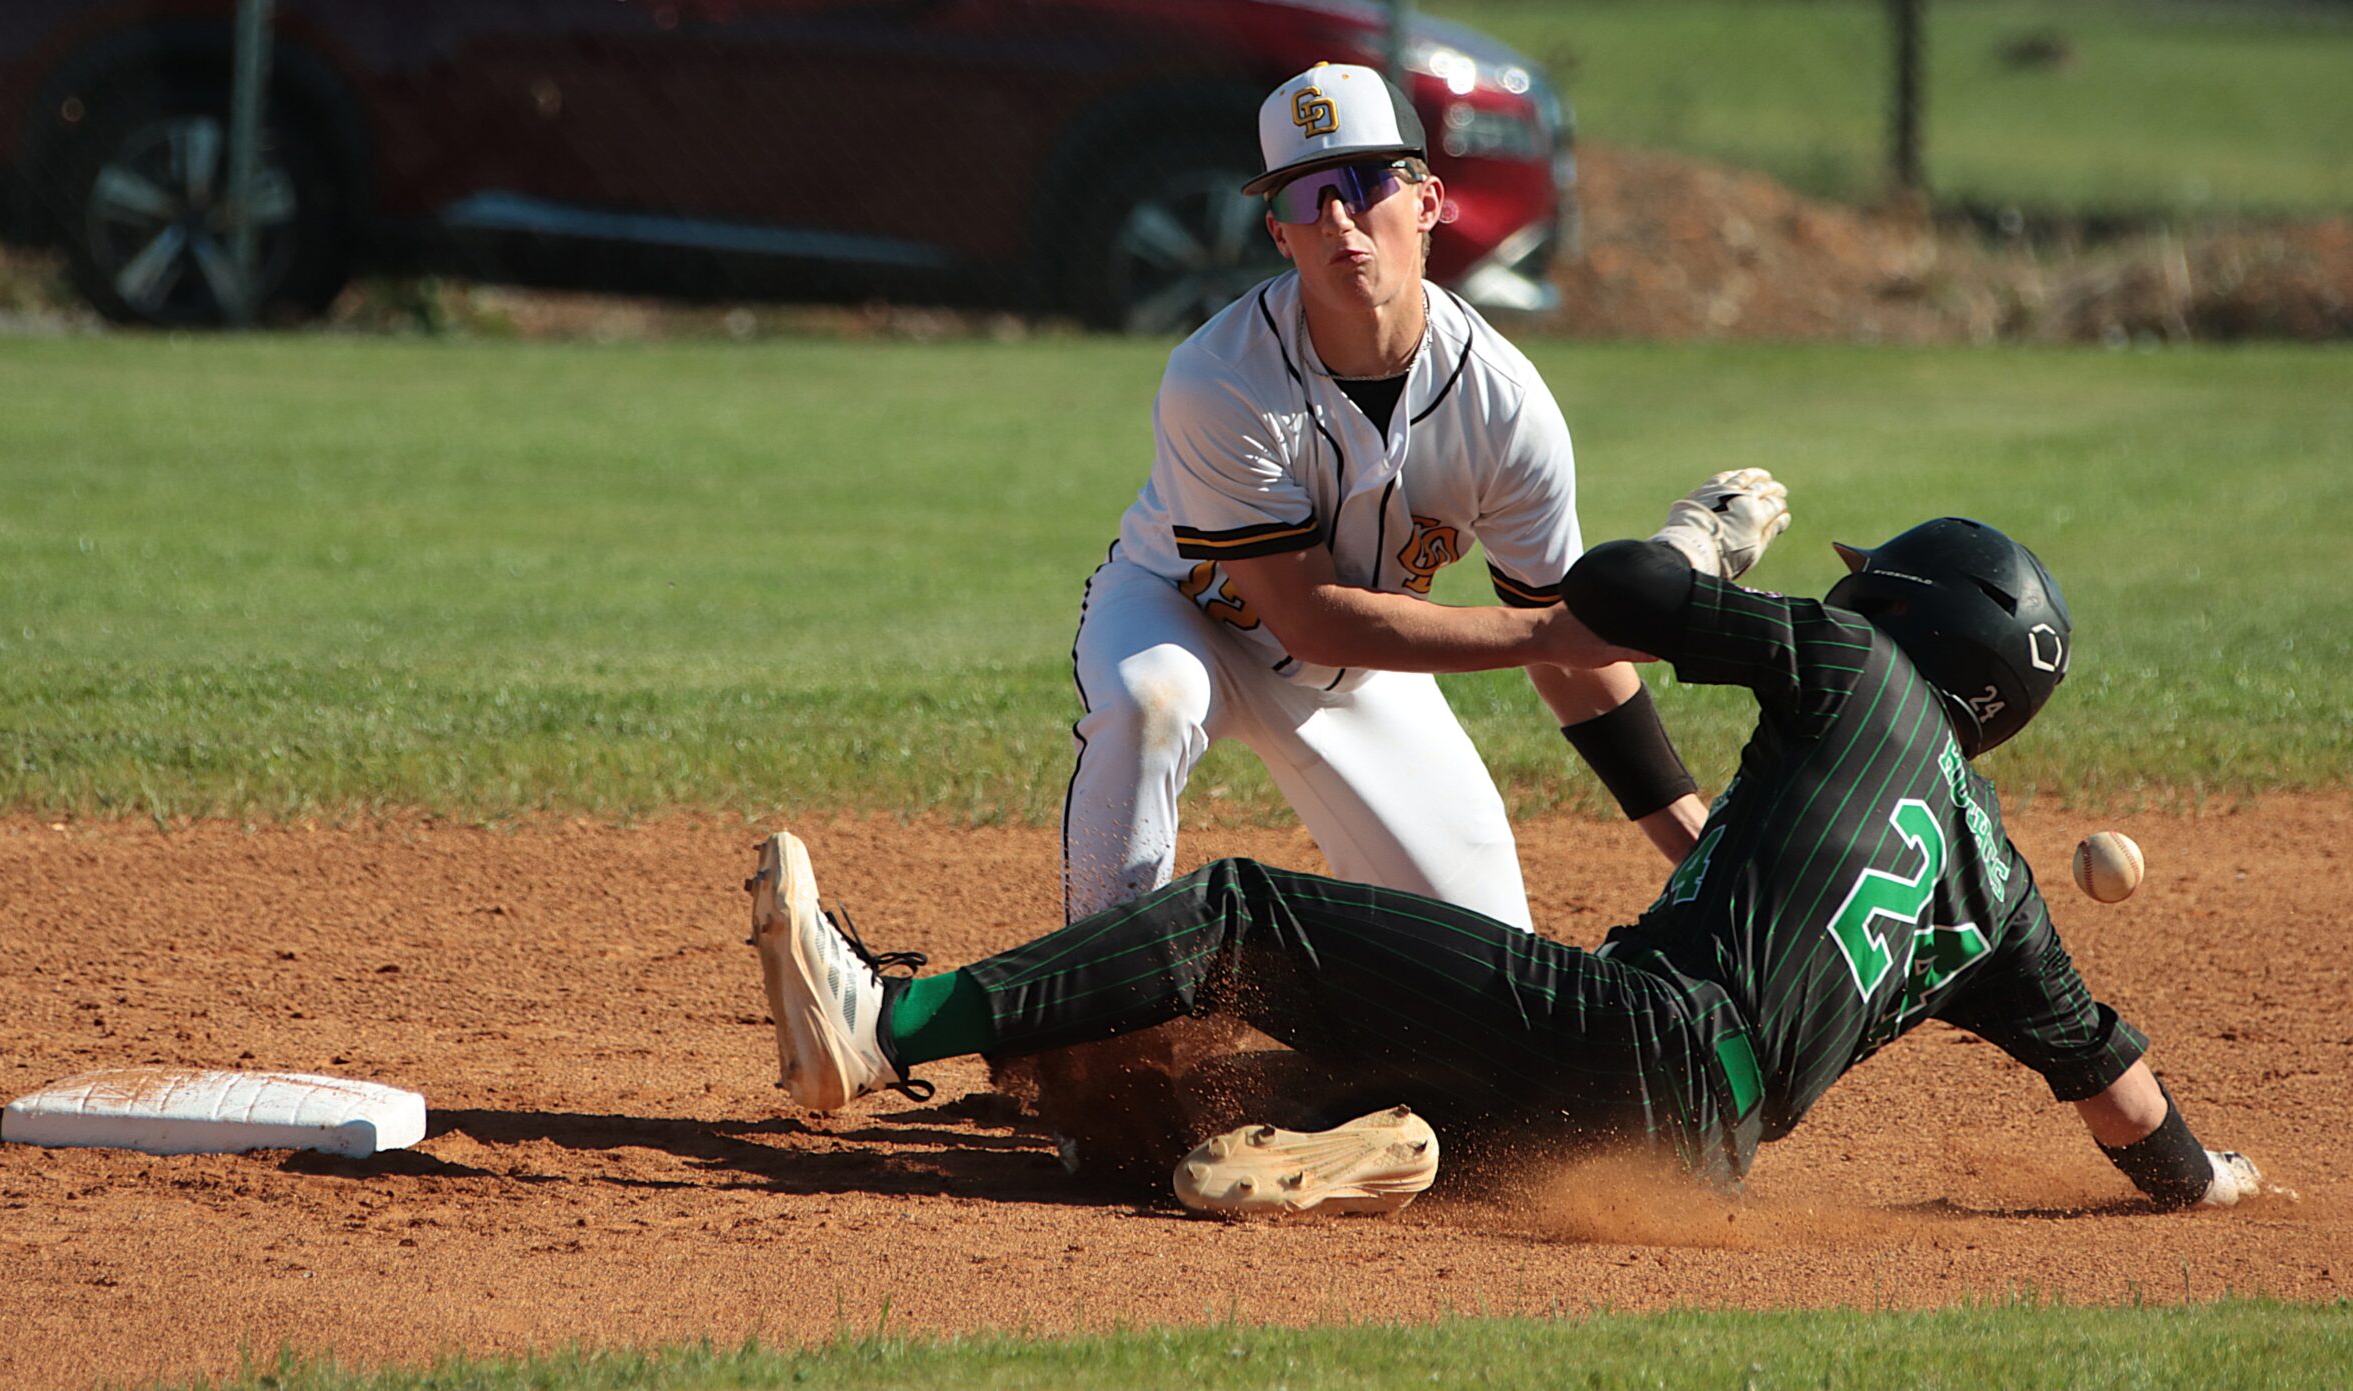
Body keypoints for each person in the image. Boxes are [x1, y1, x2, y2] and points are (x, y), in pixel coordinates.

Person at [748, 508, 2287, 1216]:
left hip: (1632, 1033)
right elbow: (2122, 1095)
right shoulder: (2004, 890)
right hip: (1689, 1156)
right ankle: (1387, 1142)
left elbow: (1606, 593)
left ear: (1903, 615)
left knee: (1236, 910)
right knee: (1248, 1090)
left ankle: (881, 1024)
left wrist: (1701, 543)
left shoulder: (1852, 665)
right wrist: (2204, 1181)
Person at [1061, 62, 1791, 928]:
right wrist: (1555, 630)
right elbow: (1315, 619)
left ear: (1428, 202)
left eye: (1365, 182)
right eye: (1305, 196)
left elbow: (1573, 656)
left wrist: (1701, 854)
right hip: (1181, 613)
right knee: (1153, 702)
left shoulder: (1504, 406)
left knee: (1488, 956)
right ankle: (1092, 984)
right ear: (1278, 233)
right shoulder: (1218, 376)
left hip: (1363, 667)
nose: (1338, 218)